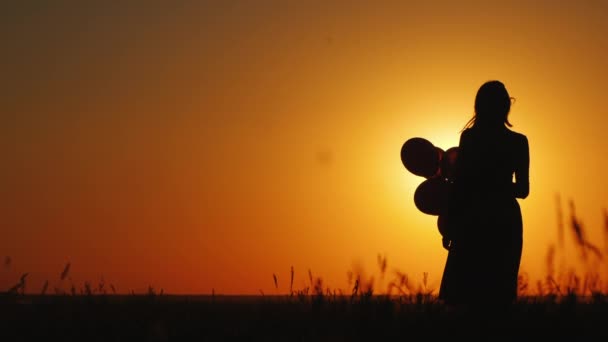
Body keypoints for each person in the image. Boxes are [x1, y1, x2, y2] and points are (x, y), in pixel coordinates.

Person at [438, 80, 530, 311]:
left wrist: (450, 224)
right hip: (500, 220)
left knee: (468, 299)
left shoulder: (471, 139)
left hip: (476, 219)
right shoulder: (516, 141)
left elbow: (460, 186)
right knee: (494, 299)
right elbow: (522, 190)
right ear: (505, 106)